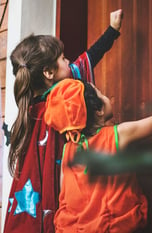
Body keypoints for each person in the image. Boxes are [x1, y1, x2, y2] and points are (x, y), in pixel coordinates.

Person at [4, 9, 123, 233]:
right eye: (63, 58)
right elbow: (84, 63)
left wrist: (111, 31)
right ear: (48, 72)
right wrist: (113, 31)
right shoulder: (66, 97)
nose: (69, 61)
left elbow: (81, 63)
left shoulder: (29, 107)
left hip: (27, 208)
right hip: (60, 198)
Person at [44, 79, 152, 233]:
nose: (105, 96)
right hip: (113, 227)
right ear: (99, 110)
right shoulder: (118, 134)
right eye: (102, 94)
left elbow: (64, 195)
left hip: (72, 228)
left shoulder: (67, 150)